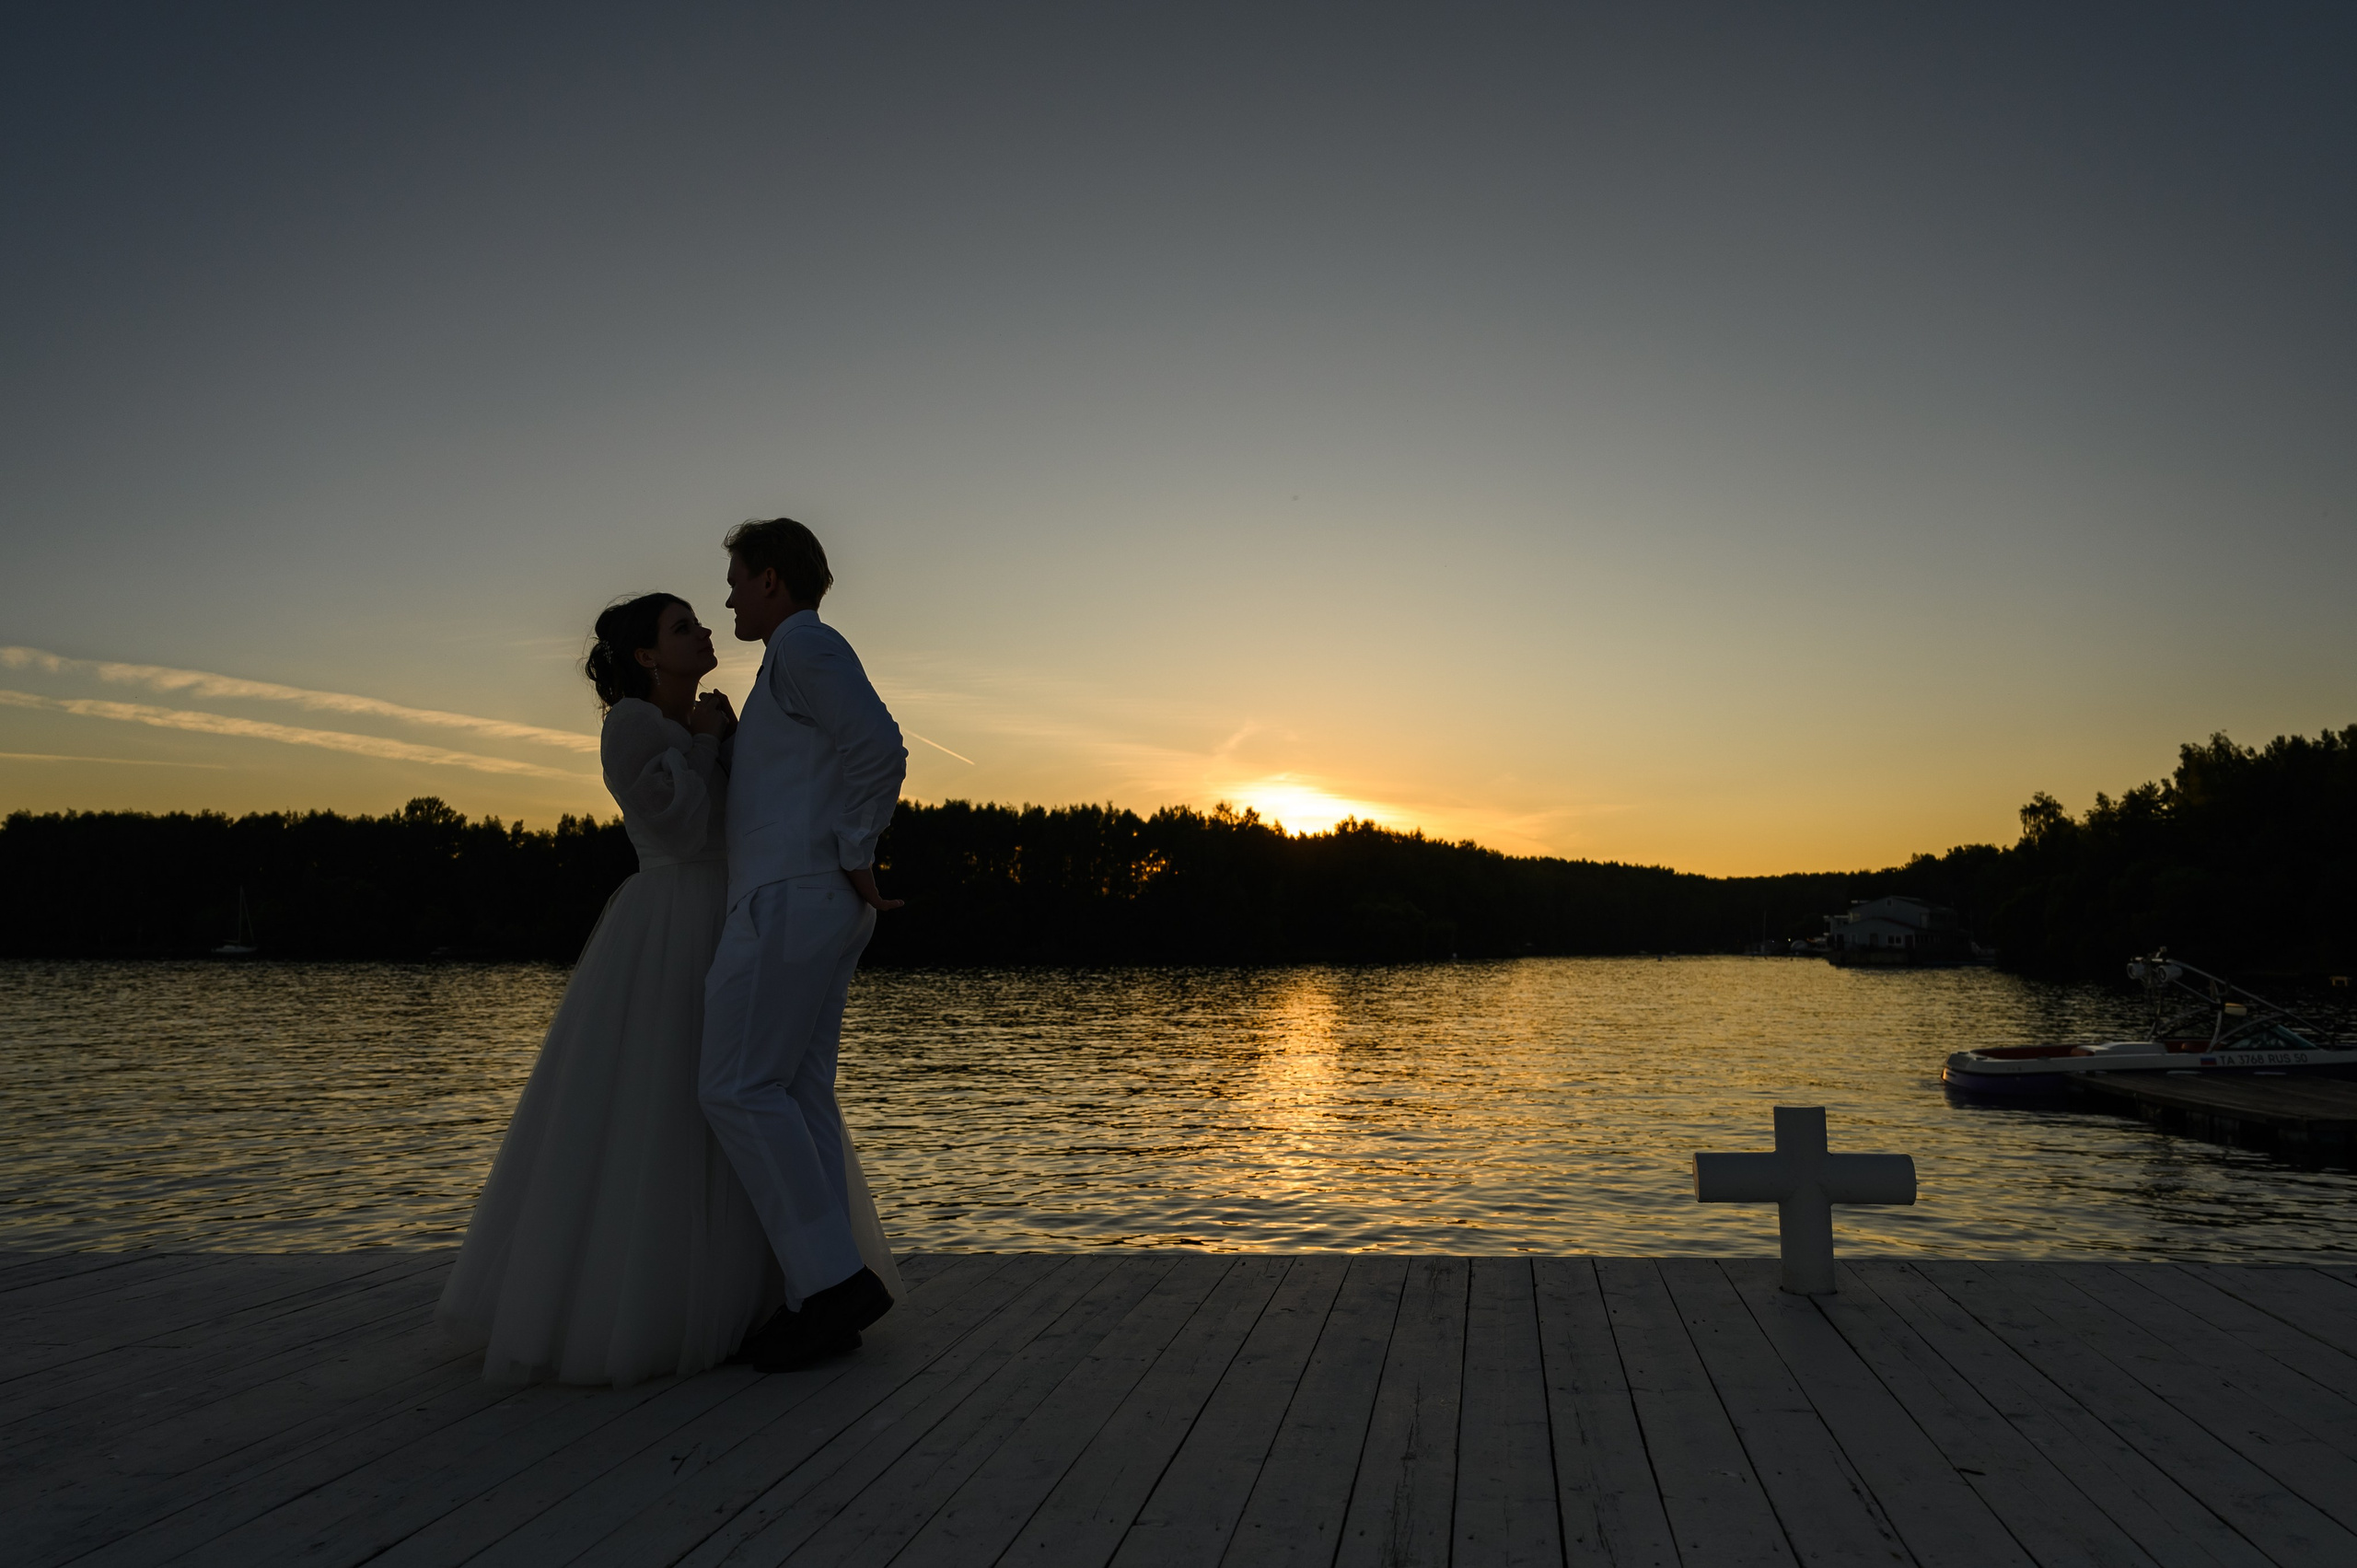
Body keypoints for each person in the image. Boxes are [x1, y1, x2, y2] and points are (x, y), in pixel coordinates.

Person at [435, 592, 900, 1385]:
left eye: (701, 619)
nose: (706, 629)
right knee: (677, 1099)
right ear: (646, 657)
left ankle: (791, 1291)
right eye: (682, 627)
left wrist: (726, 743)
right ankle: (670, 1303)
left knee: (756, 1093)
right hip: (671, 920)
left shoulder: (717, 721)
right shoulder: (632, 724)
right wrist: (705, 741)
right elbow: (680, 826)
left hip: (738, 912)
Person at [702, 517, 909, 1371]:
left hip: (794, 898)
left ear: (773, 582)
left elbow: (881, 750)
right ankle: (822, 1296)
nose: (728, 596)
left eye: (738, 580)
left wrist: (855, 851)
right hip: (809, 898)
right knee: (798, 1090)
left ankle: (828, 1286)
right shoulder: (789, 664)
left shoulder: (802, 650)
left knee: (736, 1086)